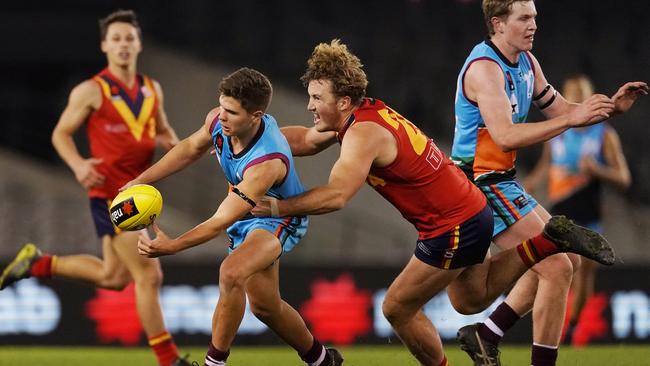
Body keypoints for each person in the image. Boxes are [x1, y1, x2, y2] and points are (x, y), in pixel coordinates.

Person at [251, 39, 615, 366]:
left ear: (343, 101)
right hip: (468, 208)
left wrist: (277, 207)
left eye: (317, 98)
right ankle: (545, 242)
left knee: (397, 307)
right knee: (468, 300)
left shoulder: (361, 135)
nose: (311, 106)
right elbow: (306, 141)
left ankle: (545, 244)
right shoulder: (364, 114)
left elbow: (337, 195)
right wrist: (257, 139)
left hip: (451, 224)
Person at [451, 1, 647, 365]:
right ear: (497, 24)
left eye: (535, 17)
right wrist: (573, 121)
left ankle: (488, 333)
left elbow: (562, 109)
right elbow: (506, 135)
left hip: (500, 181)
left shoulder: (527, 63)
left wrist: (610, 110)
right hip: (477, 185)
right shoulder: (484, 69)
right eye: (524, 18)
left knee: (566, 255)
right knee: (558, 266)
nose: (533, 25)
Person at [0, 9, 189, 366]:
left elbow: (162, 130)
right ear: (104, 45)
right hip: (114, 196)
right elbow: (60, 133)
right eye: (116, 39)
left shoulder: (152, 89)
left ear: (139, 44)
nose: (123, 45)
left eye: (129, 38)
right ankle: (169, 361)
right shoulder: (92, 90)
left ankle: (38, 264)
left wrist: (175, 146)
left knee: (113, 277)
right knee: (150, 274)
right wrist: (78, 164)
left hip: (138, 190)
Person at [123, 67, 343, 366]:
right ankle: (322, 361)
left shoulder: (266, 163)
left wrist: (174, 246)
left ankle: (214, 363)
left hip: (277, 219)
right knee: (265, 307)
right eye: (222, 106)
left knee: (231, 272)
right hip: (246, 212)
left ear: (256, 116)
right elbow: (189, 148)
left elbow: (219, 221)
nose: (222, 116)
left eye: (232, 112)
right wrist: (142, 180)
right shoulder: (219, 120)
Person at [523, 74, 632, 345]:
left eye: (583, 96)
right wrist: (534, 181)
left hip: (589, 212)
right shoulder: (559, 130)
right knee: (551, 267)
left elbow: (624, 178)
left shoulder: (604, 135)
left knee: (583, 274)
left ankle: (571, 328)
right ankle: (548, 328)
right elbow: (547, 165)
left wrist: (598, 171)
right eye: (573, 97)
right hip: (559, 211)